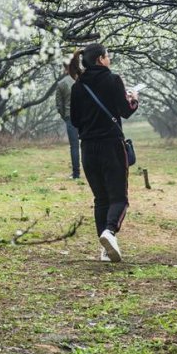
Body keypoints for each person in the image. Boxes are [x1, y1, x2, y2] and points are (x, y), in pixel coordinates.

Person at [69, 44, 139, 262]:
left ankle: (105, 249)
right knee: (119, 198)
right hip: (111, 145)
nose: (109, 59)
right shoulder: (113, 79)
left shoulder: (78, 86)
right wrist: (133, 98)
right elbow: (126, 112)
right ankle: (109, 231)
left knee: (101, 199)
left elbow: (75, 120)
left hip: (88, 148)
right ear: (100, 59)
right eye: (108, 56)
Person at [55, 61, 80, 179]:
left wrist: (65, 117)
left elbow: (59, 105)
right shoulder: (83, 80)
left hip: (70, 117)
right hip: (86, 116)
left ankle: (76, 173)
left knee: (74, 146)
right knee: (87, 143)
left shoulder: (61, 84)